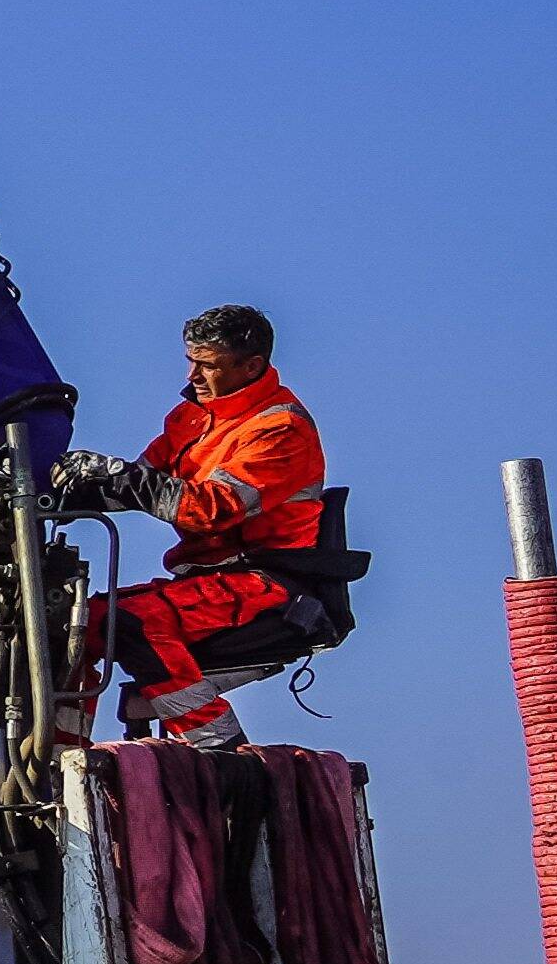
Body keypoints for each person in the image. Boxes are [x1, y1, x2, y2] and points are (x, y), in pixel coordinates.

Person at [55, 303, 350, 747]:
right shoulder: (191, 418)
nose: (193, 375)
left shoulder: (281, 428)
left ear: (251, 366)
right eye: (191, 360)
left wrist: (119, 476)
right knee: (72, 624)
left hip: (264, 582)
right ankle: (58, 759)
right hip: (207, 580)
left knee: (132, 622)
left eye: (208, 365)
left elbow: (211, 509)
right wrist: (57, 486)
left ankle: (221, 748)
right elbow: (137, 484)